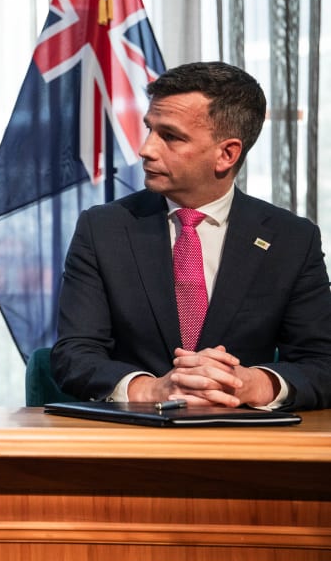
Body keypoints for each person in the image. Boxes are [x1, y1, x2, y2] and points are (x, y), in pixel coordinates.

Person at [52, 61, 331, 411]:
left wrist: (253, 384)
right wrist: (150, 389)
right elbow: (73, 355)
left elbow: (321, 362)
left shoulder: (292, 239)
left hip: (248, 446)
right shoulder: (103, 229)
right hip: (132, 442)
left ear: (226, 154)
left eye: (170, 136)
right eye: (149, 130)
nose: (147, 149)